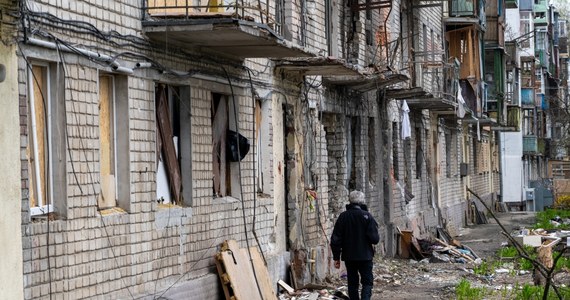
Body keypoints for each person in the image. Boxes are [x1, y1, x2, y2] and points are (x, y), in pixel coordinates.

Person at [330, 190, 380, 300]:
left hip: (349, 256)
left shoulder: (343, 217)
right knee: (367, 282)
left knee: (352, 282)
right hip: (365, 256)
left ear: (350, 201)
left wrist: (336, 257)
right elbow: (375, 239)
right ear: (362, 202)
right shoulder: (367, 216)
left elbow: (335, 239)